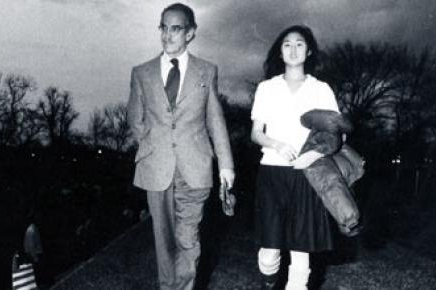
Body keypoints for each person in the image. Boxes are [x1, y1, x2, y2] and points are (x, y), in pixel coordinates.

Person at [126, 3, 235, 289]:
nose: (167, 35)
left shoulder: (206, 71)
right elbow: (134, 119)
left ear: (190, 33)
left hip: (195, 167)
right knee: (165, 244)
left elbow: (215, 119)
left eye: (175, 28)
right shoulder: (141, 73)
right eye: (163, 27)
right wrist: (154, 147)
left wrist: (226, 165)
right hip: (156, 167)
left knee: (188, 239)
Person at [249, 25, 340, 290]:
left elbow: (336, 136)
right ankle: (269, 278)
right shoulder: (267, 88)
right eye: (287, 44)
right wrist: (276, 144)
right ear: (280, 51)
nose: (293, 49)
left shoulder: (321, 89)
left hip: (307, 174)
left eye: (299, 44)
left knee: (301, 255)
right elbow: (256, 133)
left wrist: (312, 155)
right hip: (272, 172)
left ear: (309, 50)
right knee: (269, 254)